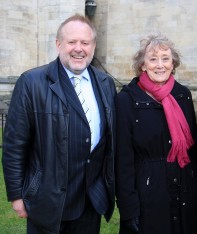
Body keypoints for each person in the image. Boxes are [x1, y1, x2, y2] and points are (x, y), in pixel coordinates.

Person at [2, 14, 117, 234]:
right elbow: (14, 145)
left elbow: (110, 141)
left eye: (85, 42)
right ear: (58, 44)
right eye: (72, 42)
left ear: (93, 46)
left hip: (90, 201)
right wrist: (16, 195)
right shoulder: (31, 82)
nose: (78, 48)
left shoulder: (105, 83)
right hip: (47, 199)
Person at [115, 33, 197, 234]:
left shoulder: (183, 95)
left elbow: (193, 152)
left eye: (165, 58)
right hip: (149, 194)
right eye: (153, 59)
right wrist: (129, 208)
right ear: (143, 65)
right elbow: (123, 160)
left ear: (173, 64)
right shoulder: (127, 100)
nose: (160, 65)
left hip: (184, 191)